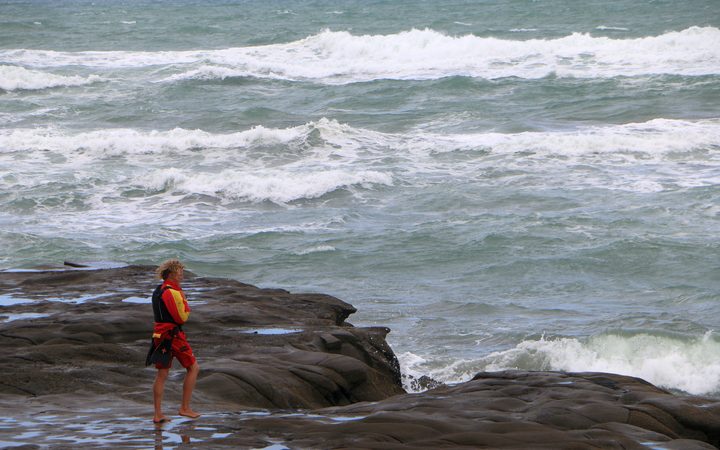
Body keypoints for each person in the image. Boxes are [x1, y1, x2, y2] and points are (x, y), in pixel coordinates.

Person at [150, 259, 200, 424]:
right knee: (193, 367)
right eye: (179, 271)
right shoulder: (173, 292)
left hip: (158, 336)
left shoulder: (158, 290)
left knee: (162, 374)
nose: (182, 274)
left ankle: (158, 414)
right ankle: (184, 408)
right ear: (171, 273)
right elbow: (182, 317)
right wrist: (185, 302)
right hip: (173, 336)